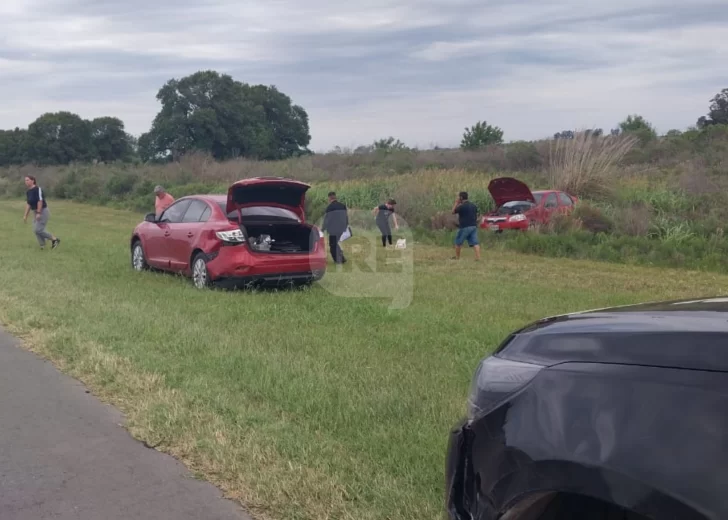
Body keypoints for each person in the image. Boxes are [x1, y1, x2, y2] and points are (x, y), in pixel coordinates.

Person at [23, 175, 60, 250]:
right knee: (36, 230)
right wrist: (25, 215)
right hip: (35, 211)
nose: (26, 182)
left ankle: (55, 239)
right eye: (25, 180)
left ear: (33, 180)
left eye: (28, 180)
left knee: (38, 229)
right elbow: (29, 204)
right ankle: (42, 245)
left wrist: (39, 213)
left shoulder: (37, 189)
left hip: (42, 211)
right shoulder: (28, 192)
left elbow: (40, 201)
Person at [452, 191, 481, 261]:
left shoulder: (461, 207)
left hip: (464, 227)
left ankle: (457, 257)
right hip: (473, 226)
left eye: (459, 197)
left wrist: (456, 203)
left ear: (461, 198)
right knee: (475, 242)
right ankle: (478, 258)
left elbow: (453, 212)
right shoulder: (473, 206)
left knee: (458, 242)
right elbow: (476, 215)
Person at [321, 191, 348, 264]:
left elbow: (327, 220)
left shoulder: (330, 207)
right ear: (335, 197)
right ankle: (341, 258)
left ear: (329, 198)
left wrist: (322, 229)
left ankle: (339, 260)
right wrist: (345, 226)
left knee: (333, 245)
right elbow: (346, 217)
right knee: (335, 243)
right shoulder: (342, 206)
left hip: (333, 229)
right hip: (341, 228)